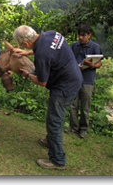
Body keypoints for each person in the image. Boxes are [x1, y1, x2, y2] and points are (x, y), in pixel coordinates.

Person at [12, 25, 83, 169]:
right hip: (74, 80)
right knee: (55, 118)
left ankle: (58, 160)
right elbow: (48, 49)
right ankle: (51, 140)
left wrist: (28, 74)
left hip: (63, 88)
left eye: (22, 45)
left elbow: (42, 82)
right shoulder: (52, 34)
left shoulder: (42, 55)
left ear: (25, 43)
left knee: (54, 123)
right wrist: (27, 52)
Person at [65, 24, 103, 138]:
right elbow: (68, 59)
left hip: (87, 80)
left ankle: (83, 129)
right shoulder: (74, 46)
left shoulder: (95, 47)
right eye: (79, 35)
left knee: (85, 106)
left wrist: (90, 64)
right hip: (75, 79)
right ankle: (73, 127)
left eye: (83, 35)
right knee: (73, 104)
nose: (81, 37)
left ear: (89, 35)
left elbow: (99, 64)